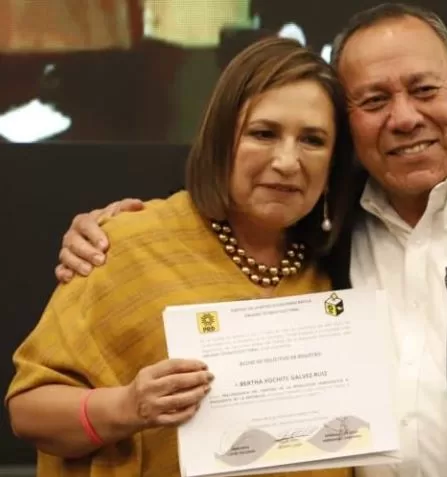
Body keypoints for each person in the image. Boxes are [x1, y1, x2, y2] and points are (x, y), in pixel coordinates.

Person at [49, 3, 447, 477]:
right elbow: (222, 213)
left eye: (424, 90)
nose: (404, 117)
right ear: (347, 119)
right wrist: (110, 229)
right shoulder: (322, 216)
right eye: (375, 100)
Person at [5, 37, 355, 477]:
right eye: (263, 133)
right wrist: (127, 406)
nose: (287, 161)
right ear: (220, 139)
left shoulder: (340, 265)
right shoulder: (127, 244)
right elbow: (29, 410)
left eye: (313, 140)